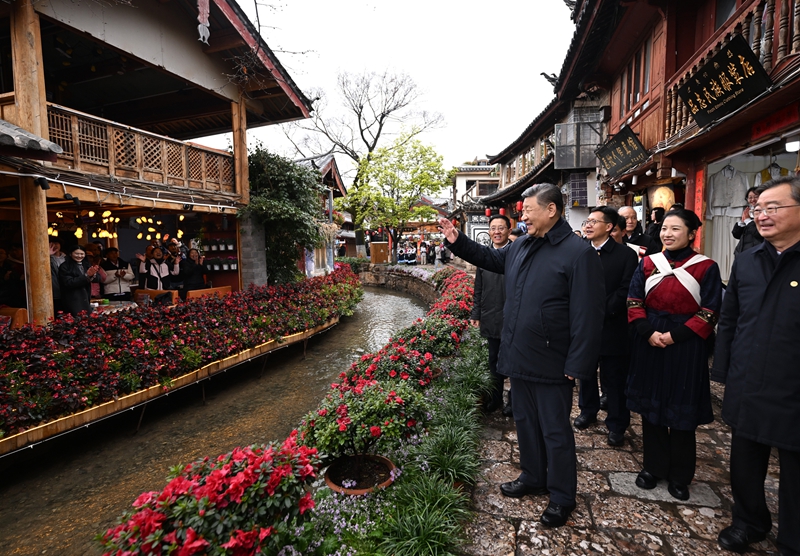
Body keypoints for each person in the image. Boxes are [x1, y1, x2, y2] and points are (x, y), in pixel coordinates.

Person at [439, 183, 604, 528]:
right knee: (526, 423)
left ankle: (562, 496)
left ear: (551, 210)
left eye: (528, 210)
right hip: (519, 353)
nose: (522, 216)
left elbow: (588, 315)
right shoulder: (521, 246)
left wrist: (578, 362)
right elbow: (489, 258)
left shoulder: (578, 253)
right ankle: (533, 476)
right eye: (522, 211)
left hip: (553, 359)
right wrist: (457, 239)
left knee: (555, 431)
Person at [713, 176, 800, 556]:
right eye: (758, 208)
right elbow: (730, 319)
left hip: (793, 384)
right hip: (748, 377)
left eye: (773, 208)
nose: (762, 215)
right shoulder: (748, 260)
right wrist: (723, 370)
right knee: (745, 461)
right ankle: (748, 521)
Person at [626, 208, 722, 501]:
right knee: (651, 407)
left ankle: (681, 475)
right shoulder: (648, 263)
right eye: (665, 228)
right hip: (650, 339)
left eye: (676, 229)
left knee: (682, 408)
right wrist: (648, 331)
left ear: (691, 234)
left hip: (686, 344)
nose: (667, 234)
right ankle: (653, 467)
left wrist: (675, 336)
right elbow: (634, 299)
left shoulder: (706, 267)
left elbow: (710, 310)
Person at [574, 207, 638, 447]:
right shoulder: (580, 252)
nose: (588, 225)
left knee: (615, 378)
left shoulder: (625, 255)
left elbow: (625, 290)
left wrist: (599, 312)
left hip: (613, 325)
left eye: (594, 221)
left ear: (609, 227)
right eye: (587, 221)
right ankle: (587, 411)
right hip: (584, 325)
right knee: (586, 372)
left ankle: (617, 423)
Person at [469, 214, 512, 413]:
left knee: (513, 360)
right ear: (489, 231)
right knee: (493, 360)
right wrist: (475, 313)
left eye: (501, 228)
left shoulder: (515, 254)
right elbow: (478, 289)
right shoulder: (484, 257)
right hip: (491, 315)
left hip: (512, 316)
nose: (497, 232)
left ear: (509, 230)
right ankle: (496, 399)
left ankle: (513, 401)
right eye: (493, 228)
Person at [58, 245, 99, 317]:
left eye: (82, 254)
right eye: (76, 254)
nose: (79, 256)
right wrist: (86, 276)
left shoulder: (86, 265)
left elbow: (98, 278)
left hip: (86, 297)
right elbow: (68, 282)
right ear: (70, 254)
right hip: (73, 299)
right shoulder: (65, 266)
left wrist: (93, 275)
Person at [731, 186, 763, 257]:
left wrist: (748, 221)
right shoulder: (749, 212)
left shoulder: (764, 212)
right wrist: (742, 222)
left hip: (756, 254)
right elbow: (736, 235)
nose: (753, 200)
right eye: (750, 197)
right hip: (742, 253)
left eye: (756, 197)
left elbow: (760, 234)